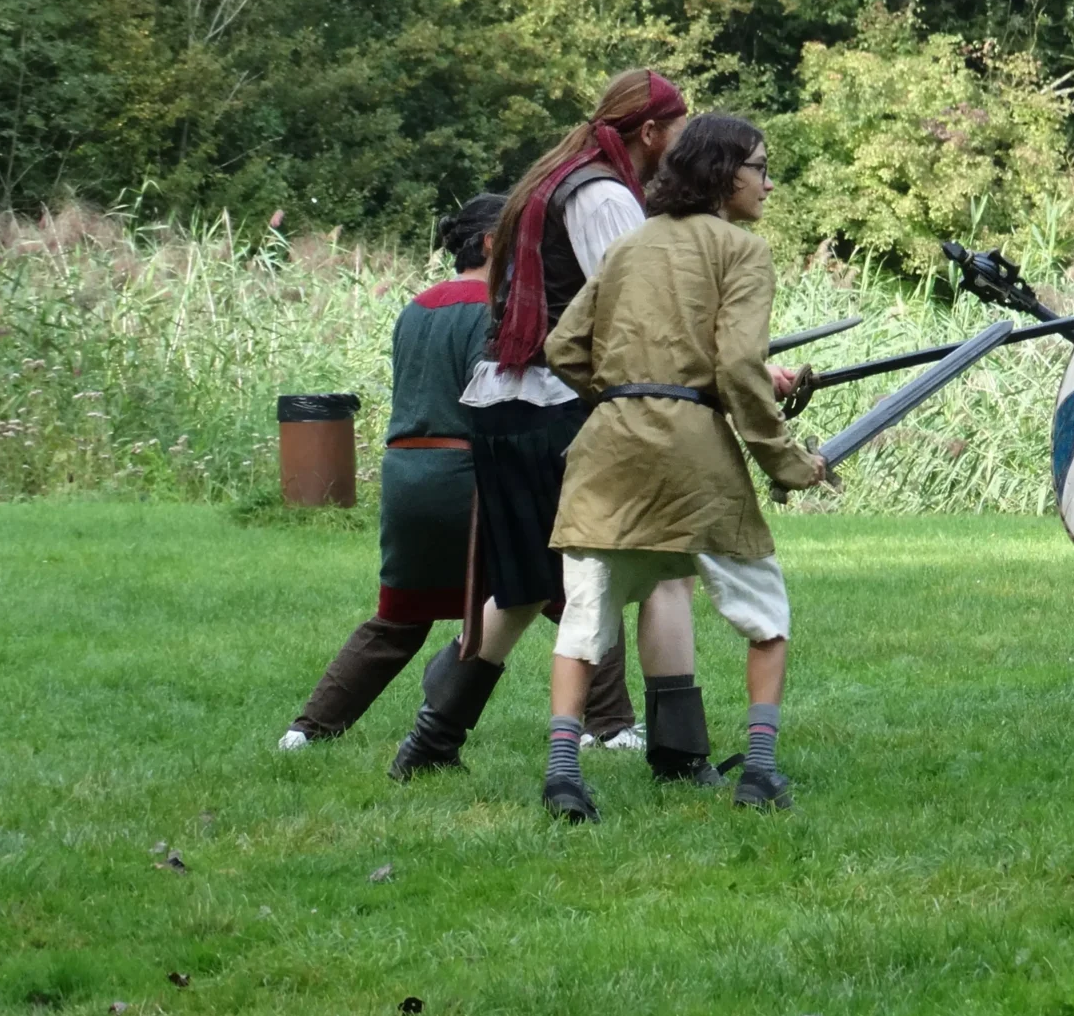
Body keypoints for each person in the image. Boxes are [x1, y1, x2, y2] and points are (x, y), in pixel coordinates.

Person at [387, 70, 692, 783]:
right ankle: (681, 758)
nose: (682, 145)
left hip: (504, 404)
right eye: (679, 127)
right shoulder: (603, 193)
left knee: (523, 588)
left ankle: (430, 744)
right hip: (557, 407)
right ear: (650, 131)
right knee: (667, 568)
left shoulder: (548, 178)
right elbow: (638, 312)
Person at [539, 113, 828, 814]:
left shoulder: (630, 245)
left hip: (607, 452)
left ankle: (562, 776)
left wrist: (624, 395)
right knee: (766, 614)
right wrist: (790, 463)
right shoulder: (742, 251)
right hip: (692, 455)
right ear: (724, 173)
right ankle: (759, 773)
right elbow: (737, 365)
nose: (767, 183)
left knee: (584, 622)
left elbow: (562, 348)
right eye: (760, 167)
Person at [278, 194, 506, 749]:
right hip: (466, 476)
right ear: (494, 244)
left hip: (405, 476)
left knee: (399, 617)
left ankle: (306, 732)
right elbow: (494, 400)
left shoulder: (416, 308)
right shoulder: (492, 309)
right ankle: (609, 726)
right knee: (562, 593)